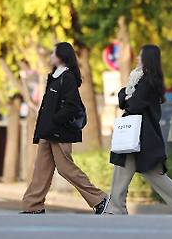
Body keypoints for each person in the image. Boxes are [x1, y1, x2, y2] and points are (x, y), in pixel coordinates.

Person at [21, 42, 109, 214]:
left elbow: (72, 106)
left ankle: (100, 199)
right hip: (47, 132)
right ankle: (33, 205)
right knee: (41, 169)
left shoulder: (67, 77)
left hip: (59, 132)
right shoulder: (54, 76)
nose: (51, 56)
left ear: (61, 56)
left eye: (53, 53)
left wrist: (55, 120)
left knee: (65, 168)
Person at [107, 45, 172, 215]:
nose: (137, 57)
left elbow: (134, 104)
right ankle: (116, 208)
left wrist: (128, 97)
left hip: (143, 134)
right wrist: (128, 96)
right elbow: (123, 96)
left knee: (152, 172)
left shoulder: (148, 81)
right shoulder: (137, 79)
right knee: (122, 168)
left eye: (141, 55)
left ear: (147, 58)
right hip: (132, 132)